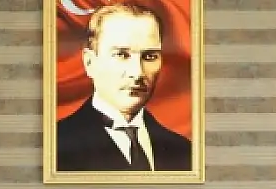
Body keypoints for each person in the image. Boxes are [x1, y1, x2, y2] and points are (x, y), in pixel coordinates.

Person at [56, 3, 192, 172]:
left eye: (149, 56)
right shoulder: (56, 145)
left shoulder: (183, 150)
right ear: (90, 62)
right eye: (121, 55)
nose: (137, 73)